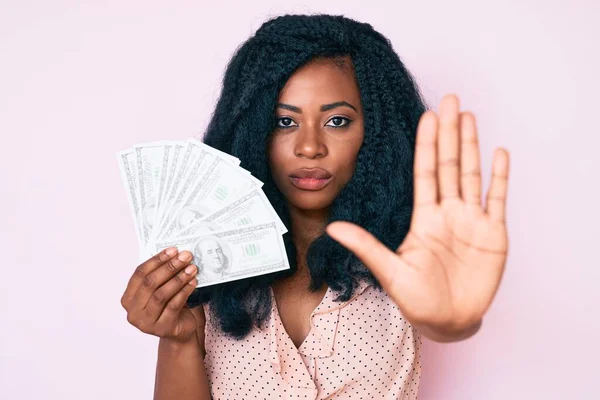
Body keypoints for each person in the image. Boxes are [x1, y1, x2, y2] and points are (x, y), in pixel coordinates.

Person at [120, 14, 510, 399]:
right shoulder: (208, 265)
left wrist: (453, 321)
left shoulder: (411, 254)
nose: (309, 147)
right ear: (253, 132)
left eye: (337, 120)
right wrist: (179, 339)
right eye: (284, 122)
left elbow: (442, 318)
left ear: (375, 131)